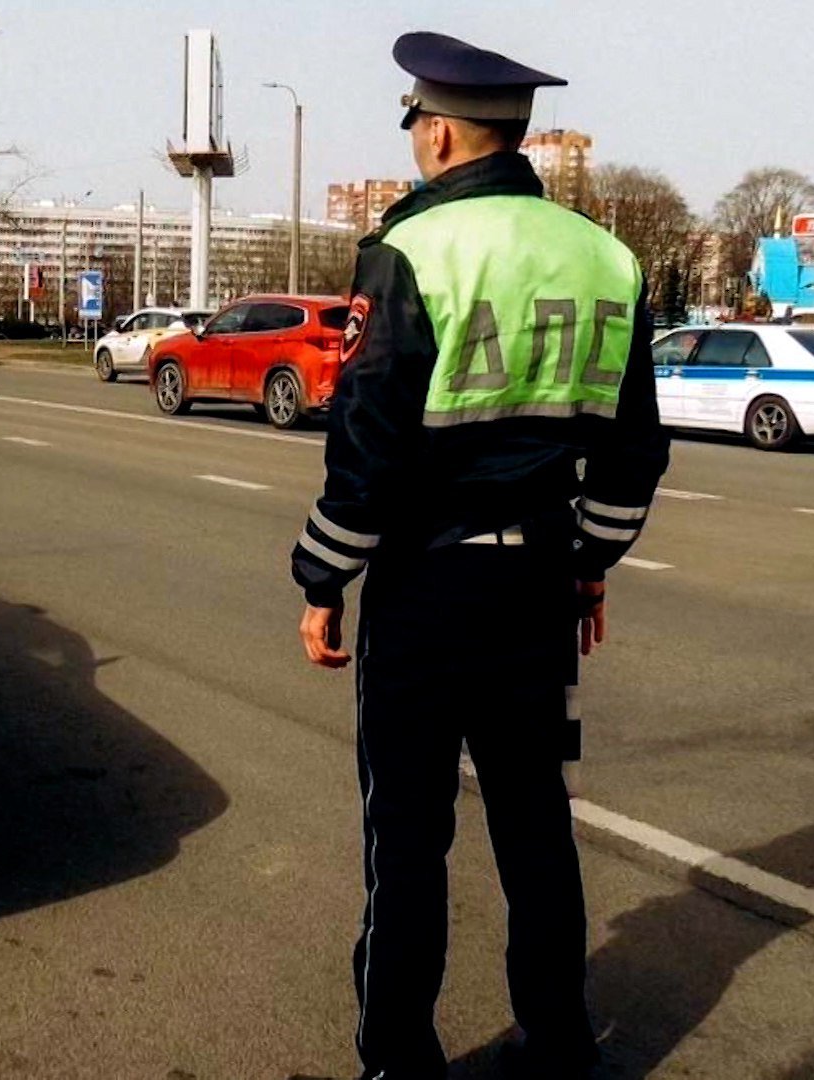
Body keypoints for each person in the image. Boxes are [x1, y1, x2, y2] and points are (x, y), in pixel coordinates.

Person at [289, 31, 670, 1080]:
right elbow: (635, 454)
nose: (416, 138)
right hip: (538, 588)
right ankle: (558, 1043)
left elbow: (364, 446)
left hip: (427, 587)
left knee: (407, 840)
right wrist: (586, 564)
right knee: (536, 825)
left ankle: (399, 1062)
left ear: (441, 131)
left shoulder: (413, 250)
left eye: (416, 123)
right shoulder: (607, 257)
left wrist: (323, 578)